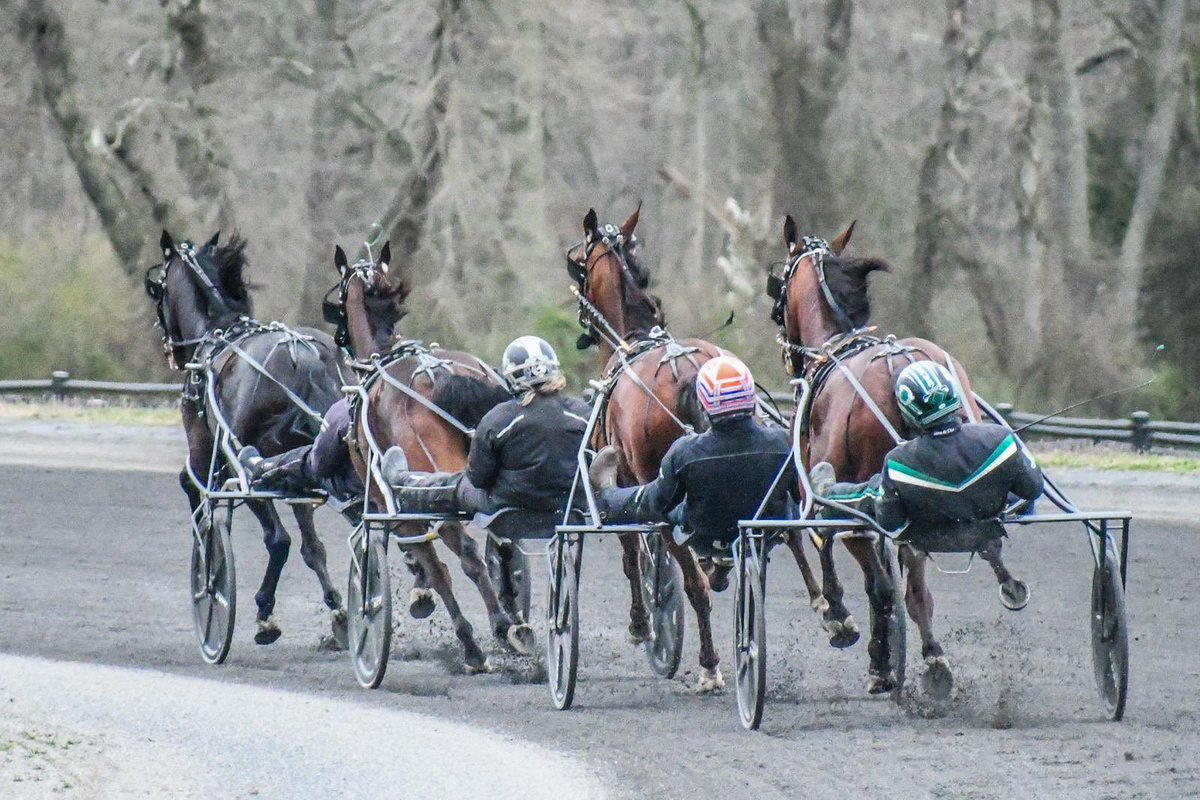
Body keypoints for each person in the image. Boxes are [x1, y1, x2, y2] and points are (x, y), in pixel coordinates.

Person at [588, 355, 794, 591]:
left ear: (704, 403)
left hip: (704, 537)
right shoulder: (782, 442)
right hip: (766, 536)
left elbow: (654, 504)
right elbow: (800, 496)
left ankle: (608, 496)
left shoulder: (685, 452)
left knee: (663, 505)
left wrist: (611, 497)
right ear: (750, 398)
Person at [809, 361, 1044, 550]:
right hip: (988, 525)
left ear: (909, 411)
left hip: (924, 536)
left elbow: (892, 523)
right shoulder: (1001, 439)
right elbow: (1032, 490)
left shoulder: (898, 462)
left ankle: (826, 496)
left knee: (869, 493)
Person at [380, 336, 590, 515]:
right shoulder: (583, 413)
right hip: (572, 504)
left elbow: (478, 478)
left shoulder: (498, 418)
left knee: (453, 484)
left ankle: (403, 481)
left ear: (512, 375)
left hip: (506, 506)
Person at [238, 397, 363, 507]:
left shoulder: (345, 409)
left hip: (356, 486)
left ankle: (262, 468)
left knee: (307, 459)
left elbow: (320, 467)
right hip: (375, 487)